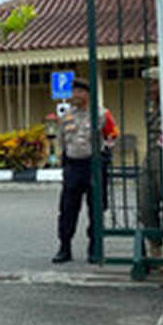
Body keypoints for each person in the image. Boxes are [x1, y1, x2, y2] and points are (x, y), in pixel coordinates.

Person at [53, 79, 117, 264]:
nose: (76, 95)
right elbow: (61, 139)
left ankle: (94, 248)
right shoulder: (67, 116)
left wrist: (105, 153)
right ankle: (64, 247)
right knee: (67, 209)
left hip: (94, 166)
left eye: (80, 92)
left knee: (96, 208)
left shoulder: (102, 114)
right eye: (74, 92)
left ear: (88, 94)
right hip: (73, 166)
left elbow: (112, 135)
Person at [138, 66, 163, 258]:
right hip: (151, 157)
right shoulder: (150, 106)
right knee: (146, 204)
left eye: (154, 83)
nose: (150, 88)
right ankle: (155, 249)